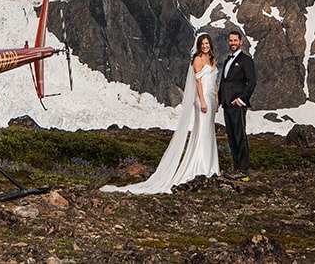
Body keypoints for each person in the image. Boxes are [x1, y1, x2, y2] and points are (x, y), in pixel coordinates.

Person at [102, 33, 221, 194]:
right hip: (203, 99)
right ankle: (201, 165)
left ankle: (211, 165)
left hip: (212, 98)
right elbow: (199, 83)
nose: (205, 46)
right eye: (203, 44)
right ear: (199, 46)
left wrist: (217, 100)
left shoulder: (212, 60)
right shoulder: (198, 60)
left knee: (209, 132)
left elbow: (214, 83)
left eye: (207, 43)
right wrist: (203, 101)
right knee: (202, 132)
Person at [219, 29, 256, 179]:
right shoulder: (228, 60)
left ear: (240, 42)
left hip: (237, 104)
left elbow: (252, 82)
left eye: (235, 40)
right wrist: (220, 100)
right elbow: (224, 82)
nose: (233, 43)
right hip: (227, 103)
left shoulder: (246, 60)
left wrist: (241, 99)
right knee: (232, 136)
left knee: (240, 135)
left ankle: (244, 170)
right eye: (230, 40)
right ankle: (236, 167)